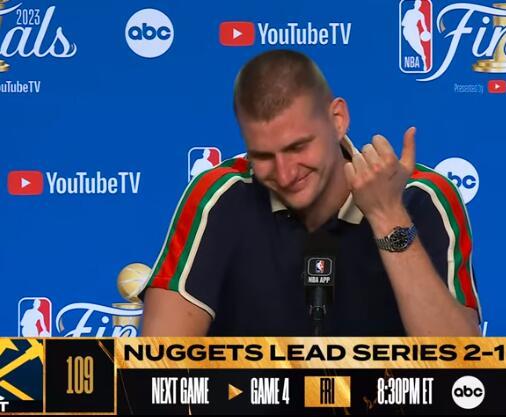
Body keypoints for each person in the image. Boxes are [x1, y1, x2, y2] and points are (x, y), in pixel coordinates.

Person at [141, 49, 481, 336]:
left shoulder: (421, 195)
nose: (285, 174)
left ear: (337, 120)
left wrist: (388, 215)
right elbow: (159, 365)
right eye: (263, 156)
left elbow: (461, 367)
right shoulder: (222, 196)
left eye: (298, 147)